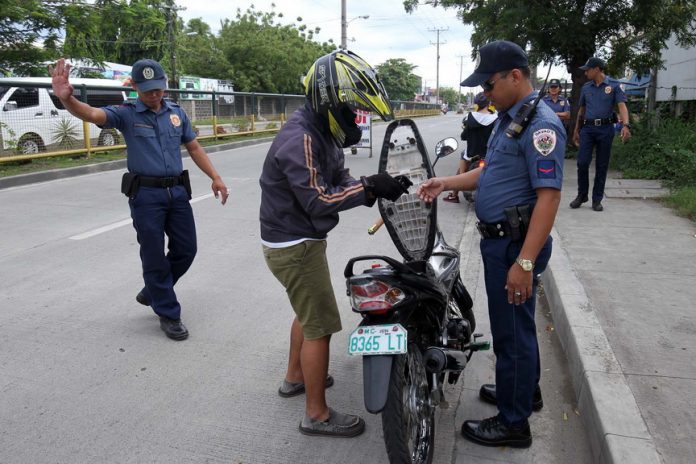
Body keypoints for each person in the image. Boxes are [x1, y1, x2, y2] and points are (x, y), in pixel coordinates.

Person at [417, 40, 565, 448]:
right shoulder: (509, 118)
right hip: (502, 244)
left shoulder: (541, 126)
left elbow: (549, 198)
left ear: (514, 76)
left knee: (511, 334)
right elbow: (487, 173)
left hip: (516, 247)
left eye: (489, 83)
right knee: (515, 330)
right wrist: (445, 181)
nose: (485, 92)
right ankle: (523, 391)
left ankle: (514, 424)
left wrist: (526, 262)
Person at [259, 50, 409, 438]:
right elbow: (319, 200)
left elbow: (341, 181)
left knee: (306, 313)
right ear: (330, 101)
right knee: (320, 327)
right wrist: (369, 188)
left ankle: (296, 377)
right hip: (295, 246)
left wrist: (376, 184)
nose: (354, 117)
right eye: (350, 108)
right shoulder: (301, 139)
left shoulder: (322, 134)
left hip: (298, 241)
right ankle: (316, 414)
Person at [49, 58, 229, 341]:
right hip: (146, 196)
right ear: (133, 86)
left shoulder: (176, 113)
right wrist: (67, 100)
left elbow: (193, 146)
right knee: (154, 255)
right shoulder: (127, 114)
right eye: (147, 90)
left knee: (187, 249)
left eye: (158, 88)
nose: (154, 94)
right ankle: (169, 313)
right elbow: (93, 114)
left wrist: (215, 177)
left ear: (164, 85)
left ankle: (155, 290)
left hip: (178, 193)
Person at [570, 57, 631, 211]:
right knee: (582, 163)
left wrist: (625, 125)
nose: (585, 73)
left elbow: (622, 106)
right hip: (588, 130)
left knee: (601, 165)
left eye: (588, 70)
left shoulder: (614, 85)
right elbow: (581, 111)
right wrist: (576, 130)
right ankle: (582, 195)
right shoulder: (586, 88)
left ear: (597, 69)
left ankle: (597, 199)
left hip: (605, 129)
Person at [443, 92, 497, 203]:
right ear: (489, 103)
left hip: (472, 154)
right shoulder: (495, 118)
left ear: (476, 104)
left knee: (463, 155)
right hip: (488, 155)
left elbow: (464, 135)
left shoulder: (469, 116)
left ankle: (455, 193)